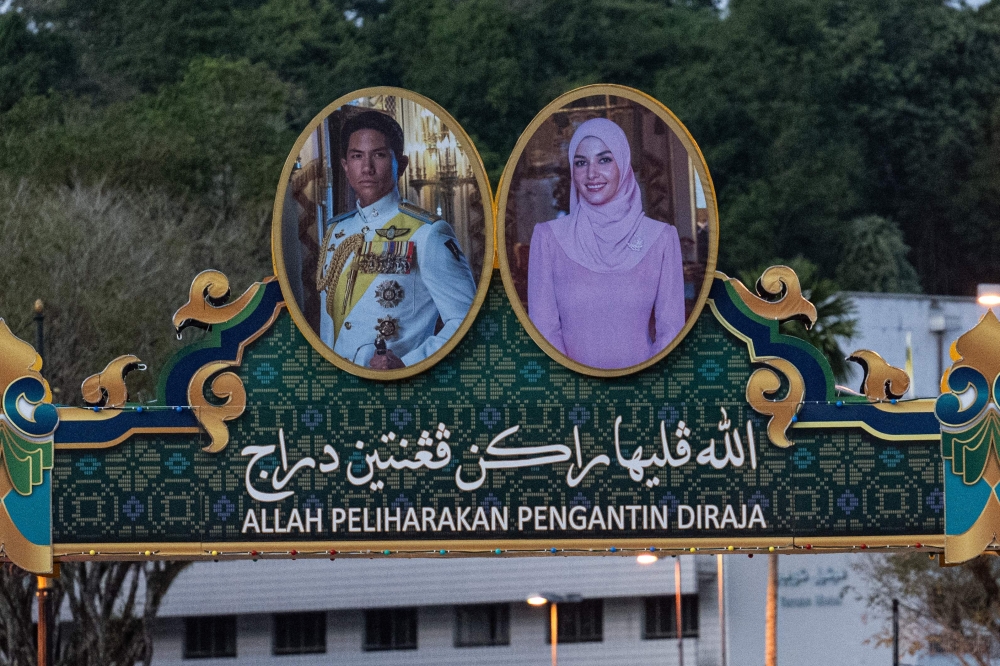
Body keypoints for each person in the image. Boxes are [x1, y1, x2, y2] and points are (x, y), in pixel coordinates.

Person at [316, 110, 476, 370]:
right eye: (357, 156)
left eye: (378, 155)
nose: (367, 168)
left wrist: (408, 363)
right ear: (345, 166)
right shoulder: (338, 231)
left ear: (400, 164)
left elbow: (468, 320)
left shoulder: (428, 233)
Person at [527, 117, 685, 370]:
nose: (591, 174)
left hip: (641, 391)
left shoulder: (661, 238)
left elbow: (671, 331)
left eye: (604, 159)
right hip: (573, 395)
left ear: (623, 163)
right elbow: (544, 331)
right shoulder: (548, 238)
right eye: (581, 163)